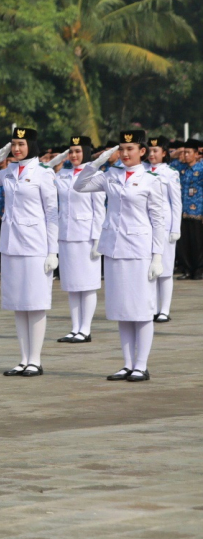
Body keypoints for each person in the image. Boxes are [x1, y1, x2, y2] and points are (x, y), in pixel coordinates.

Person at [72, 130, 168, 382]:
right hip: (115, 249)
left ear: (142, 151)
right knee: (122, 309)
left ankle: (141, 365)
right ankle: (127, 364)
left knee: (142, 309)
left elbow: (158, 220)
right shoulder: (110, 175)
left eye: (130, 149)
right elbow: (79, 185)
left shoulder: (151, 180)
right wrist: (98, 160)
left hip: (139, 251)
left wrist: (158, 256)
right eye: (122, 149)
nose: (125, 154)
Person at [0, 127, 59, 377]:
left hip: (35, 246)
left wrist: (53, 251)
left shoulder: (43, 173)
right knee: (18, 304)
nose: (16, 148)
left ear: (31, 145)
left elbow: (52, 214)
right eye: (13, 144)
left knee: (35, 303)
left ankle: (35, 360)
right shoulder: (9, 171)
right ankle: (23, 359)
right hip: (11, 244)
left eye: (21, 144)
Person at [53, 135, 105, 344]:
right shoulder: (63, 174)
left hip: (86, 236)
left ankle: (86, 329)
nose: (74, 155)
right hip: (66, 235)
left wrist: (98, 239)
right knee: (72, 285)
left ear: (86, 152)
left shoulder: (95, 175)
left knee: (88, 284)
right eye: (71, 151)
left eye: (78, 151)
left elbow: (99, 210)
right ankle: (75, 328)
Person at [145, 136, 182, 323]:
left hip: (165, 226)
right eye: (149, 151)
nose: (152, 154)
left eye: (156, 151)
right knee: (149, 269)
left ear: (164, 153)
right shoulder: (142, 171)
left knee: (165, 269)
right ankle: (151, 307)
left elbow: (176, 203)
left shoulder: (170, 173)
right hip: (146, 225)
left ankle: (164, 310)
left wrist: (176, 228)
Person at [174, 140, 202, 282]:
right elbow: (169, 162)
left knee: (198, 244)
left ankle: (198, 270)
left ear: (197, 154)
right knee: (184, 244)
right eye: (184, 152)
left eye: (188, 152)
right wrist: (179, 151)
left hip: (198, 212)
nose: (185, 155)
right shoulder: (181, 169)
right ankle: (187, 270)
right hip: (182, 211)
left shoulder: (201, 169)